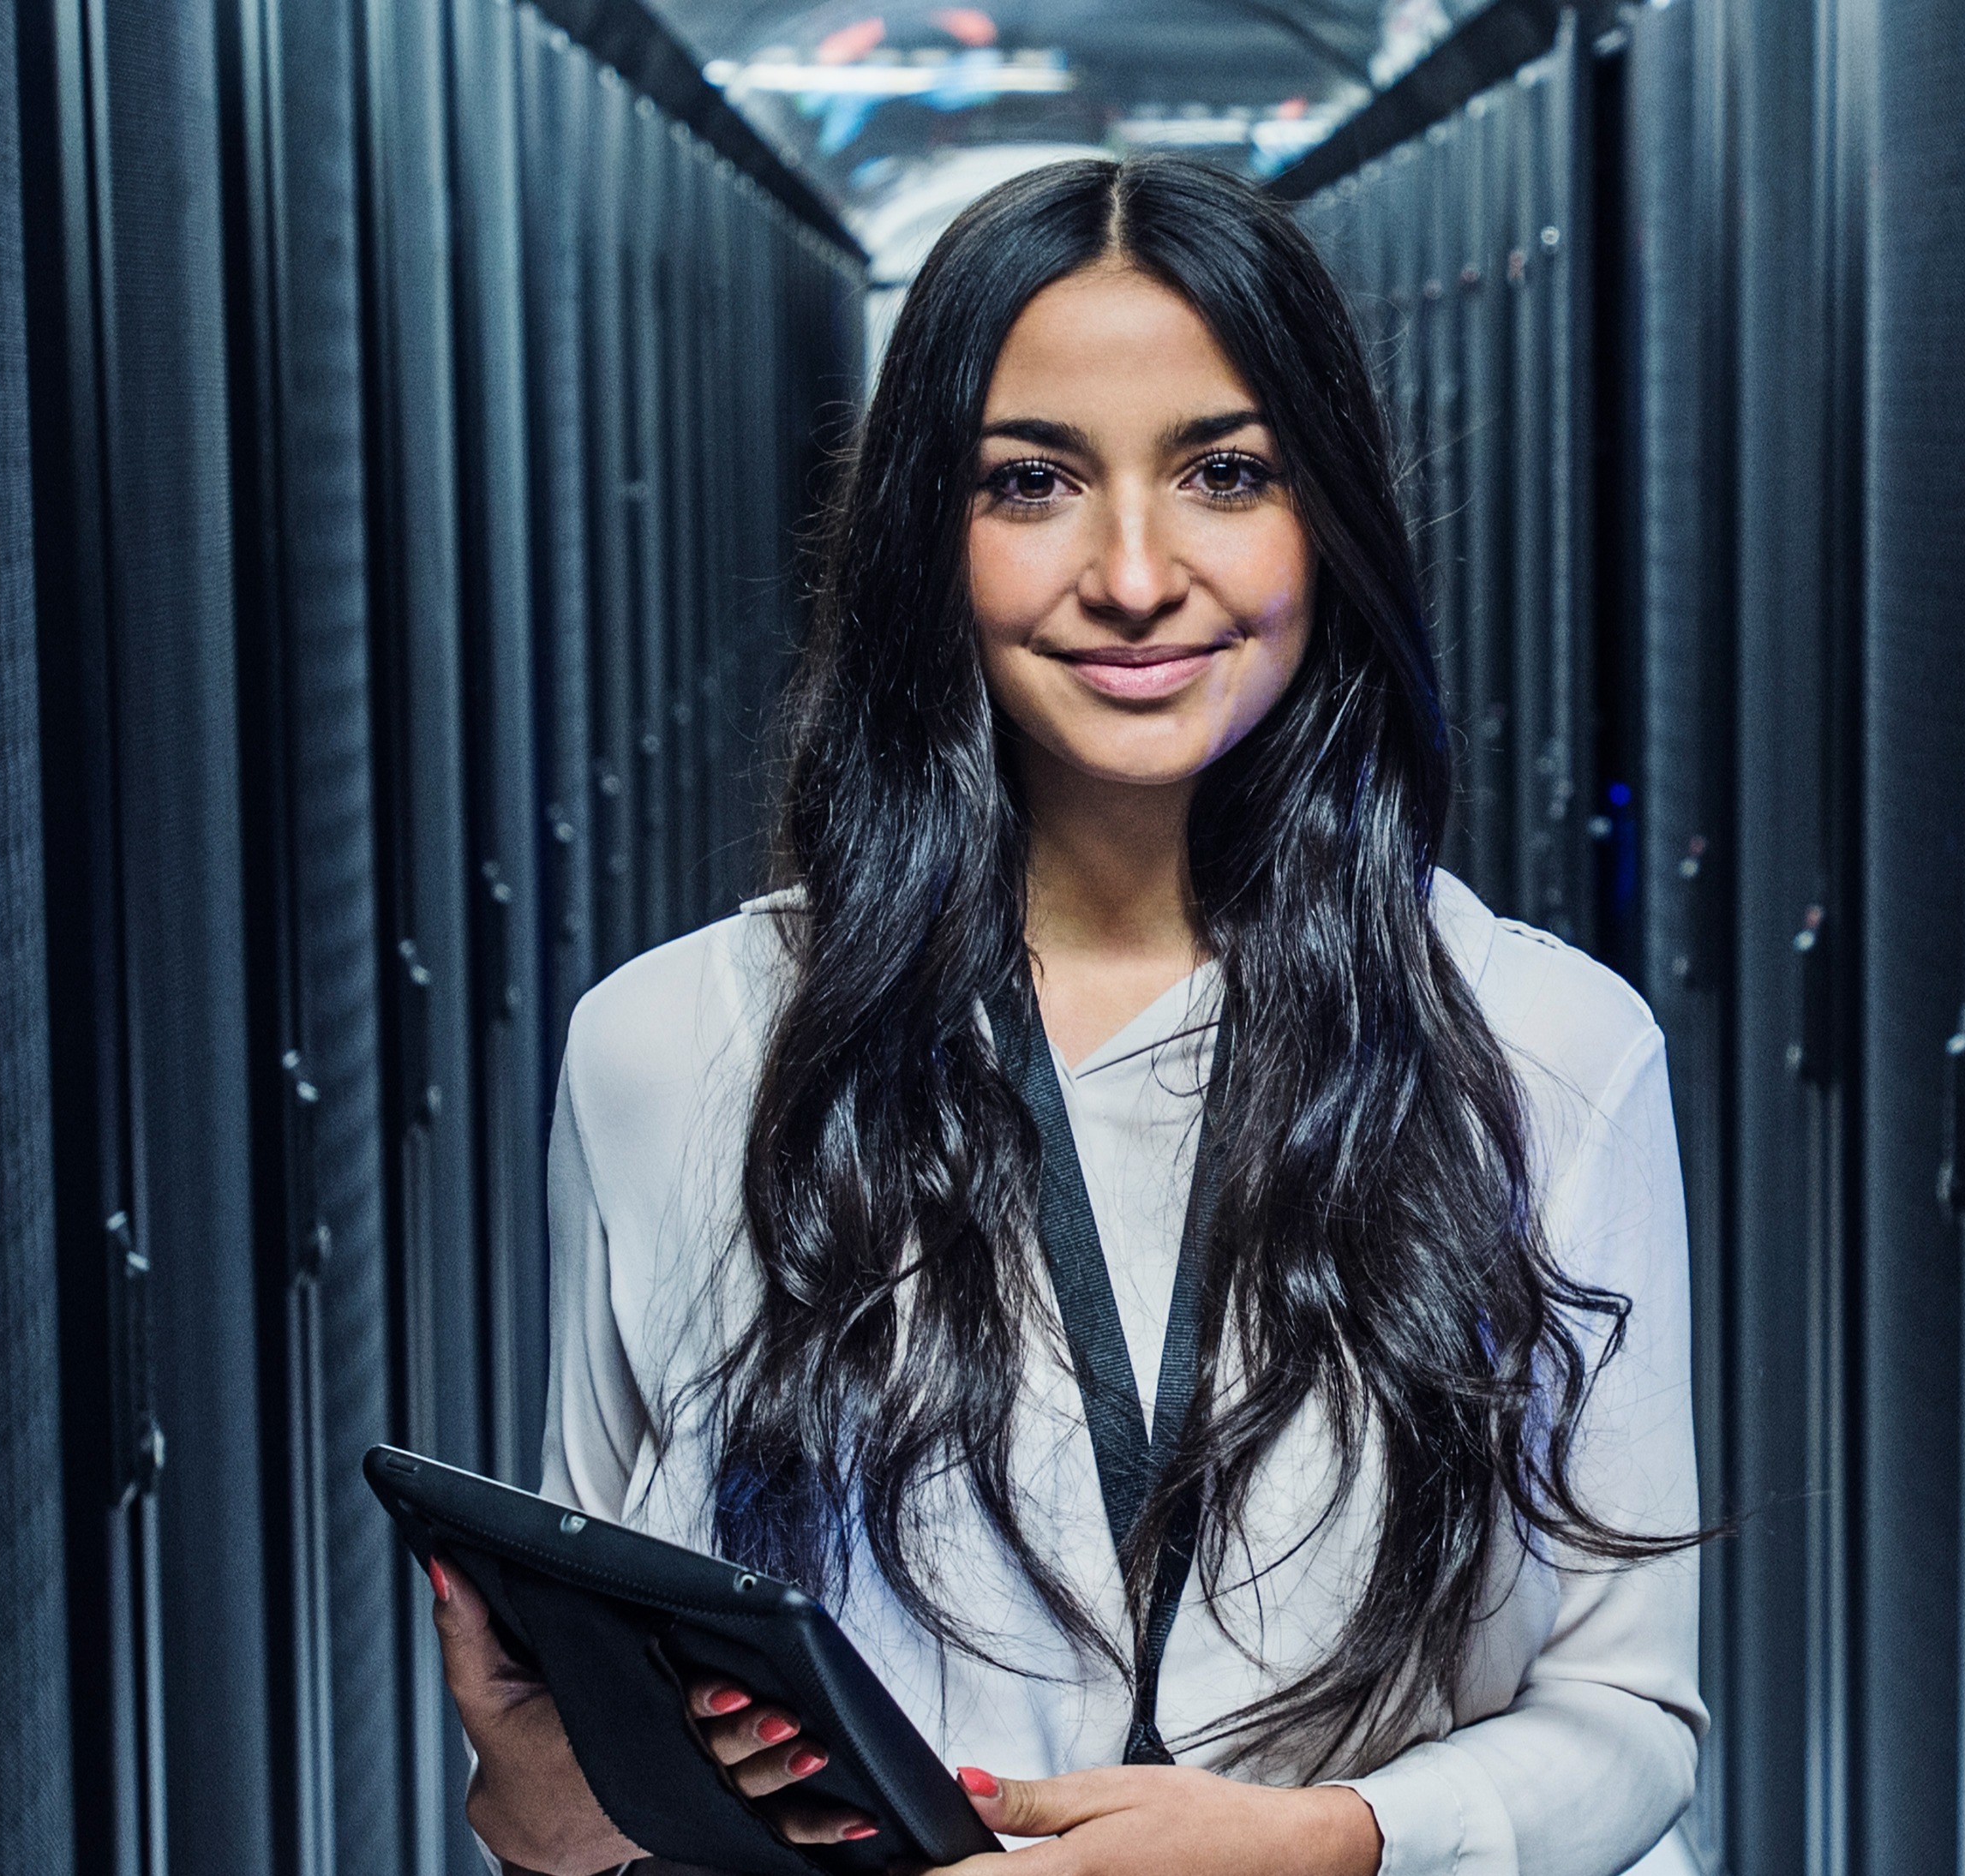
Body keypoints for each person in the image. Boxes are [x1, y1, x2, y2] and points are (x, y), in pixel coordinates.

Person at [430, 154, 1705, 1876]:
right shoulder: (676, 1048)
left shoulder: (1550, 1050)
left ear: (1324, 514)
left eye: (1224, 473)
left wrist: (1337, 1842)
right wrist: (567, 1792)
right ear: (922, 535)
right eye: (1030, 482)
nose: (1131, 572)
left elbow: (1632, 1718)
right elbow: (597, 1757)